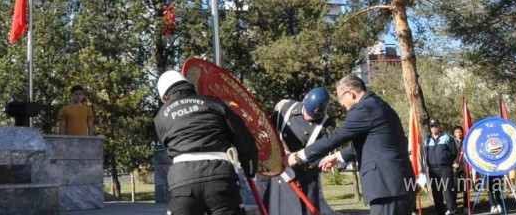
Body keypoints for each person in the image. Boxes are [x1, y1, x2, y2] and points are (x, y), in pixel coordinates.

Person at [286, 75, 415, 215]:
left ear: (350, 93)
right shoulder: (379, 105)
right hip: (402, 185)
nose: (341, 103)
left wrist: (298, 156)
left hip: (387, 188)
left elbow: (336, 137)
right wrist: (338, 156)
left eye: (341, 98)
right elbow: (374, 143)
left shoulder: (363, 108)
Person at [153, 70, 258, 215]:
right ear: (189, 85)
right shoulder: (214, 104)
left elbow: (168, 146)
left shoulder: (160, 116)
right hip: (220, 178)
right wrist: (250, 169)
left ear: (165, 96)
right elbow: (243, 138)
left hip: (182, 182)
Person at [259, 87, 336, 215]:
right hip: (279, 173)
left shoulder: (327, 124)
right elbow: (268, 130)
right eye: (307, 114)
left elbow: (322, 157)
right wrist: (278, 150)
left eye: (313, 117)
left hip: (305, 178)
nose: (309, 118)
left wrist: (296, 168)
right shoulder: (286, 107)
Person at [424, 120, 458, 215]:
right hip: (433, 170)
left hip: (445, 169)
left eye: (435, 126)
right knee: (436, 193)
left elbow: (454, 152)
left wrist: (447, 161)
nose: (433, 128)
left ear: (439, 127)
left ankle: (453, 211)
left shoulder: (447, 137)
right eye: (431, 126)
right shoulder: (427, 139)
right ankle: (440, 212)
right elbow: (425, 154)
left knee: (448, 191)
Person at [452, 126, 466, 208]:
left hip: (465, 167)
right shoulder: (451, 142)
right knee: (455, 187)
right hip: (455, 167)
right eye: (457, 132)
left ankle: (466, 207)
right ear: (454, 133)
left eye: (460, 131)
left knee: (465, 187)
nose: (459, 133)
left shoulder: (466, 141)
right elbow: (448, 154)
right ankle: (453, 207)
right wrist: (453, 163)